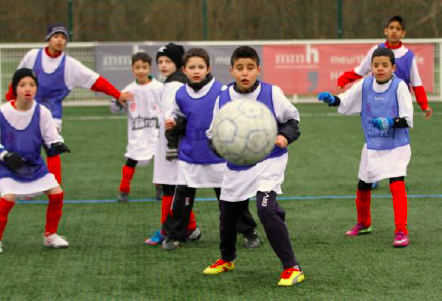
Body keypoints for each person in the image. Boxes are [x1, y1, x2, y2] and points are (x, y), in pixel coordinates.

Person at [203, 46, 304, 286]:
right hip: (238, 165)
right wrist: (222, 146)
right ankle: (227, 259)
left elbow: (293, 120)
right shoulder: (224, 97)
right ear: (231, 71)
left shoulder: (272, 92)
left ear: (258, 69)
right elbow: (212, 134)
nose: (245, 73)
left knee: (265, 209)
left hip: (270, 161)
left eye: (250, 68)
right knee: (228, 214)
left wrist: (284, 136)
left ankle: (292, 267)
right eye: (240, 68)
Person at [5, 23, 133, 185]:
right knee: (24, 149)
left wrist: (117, 94)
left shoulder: (70, 64)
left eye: (63, 37)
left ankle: (54, 186)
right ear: (48, 39)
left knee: (52, 150)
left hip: (52, 114)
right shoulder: (32, 56)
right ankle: (24, 183)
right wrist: (10, 104)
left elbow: (95, 81)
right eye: (56, 36)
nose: (60, 40)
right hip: (26, 111)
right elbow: (17, 80)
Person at [160, 48, 260, 250]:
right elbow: (180, 118)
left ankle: (248, 232)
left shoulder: (222, 91)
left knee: (233, 198)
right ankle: (175, 235)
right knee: (181, 200)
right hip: (190, 155)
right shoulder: (180, 93)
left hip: (218, 157)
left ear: (208, 69)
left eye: (200, 67)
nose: (196, 71)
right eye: (191, 67)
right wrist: (175, 124)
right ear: (184, 70)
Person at [318, 47, 413, 248]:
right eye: (376, 65)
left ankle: (401, 230)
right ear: (371, 67)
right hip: (372, 146)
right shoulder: (365, 84)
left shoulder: (399, 86)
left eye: (385, 65)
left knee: (396, 184)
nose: (380, 69)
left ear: (393, 67)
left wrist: (389, 122)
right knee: (363, 185)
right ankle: (364, 223)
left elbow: (407, 119)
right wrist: (331, 100)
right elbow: (345, 101)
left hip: (396, 147)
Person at [0, 68, 71, 254]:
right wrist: (5, 155)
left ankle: (50, 235)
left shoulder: (43, 112)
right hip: (7, 167)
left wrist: (58, 144)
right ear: (15, 88)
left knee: (57, 193)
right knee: (8, 198)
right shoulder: (3, 111)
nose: (27, 89)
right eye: (22, 85)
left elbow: (51, 136)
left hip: (34, 166)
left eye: (32, 85)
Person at [145, 43, 200, 245]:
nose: (163, 65)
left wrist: (171, 145)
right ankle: (191, 227)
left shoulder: (175, 85)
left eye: (168, 61)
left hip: (173, 143)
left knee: (172, 187)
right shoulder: (171, 82)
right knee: (174, 187)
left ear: (178, 62)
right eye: (160, 61)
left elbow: (174, 115)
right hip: (170, 141)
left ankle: (166, 229)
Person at [338, 15, 432, 120]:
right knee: (376, 132)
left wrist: (424, 105)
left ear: (403, 33)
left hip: (398, 104)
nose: (394, 31)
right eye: (391, 28)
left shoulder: (409, 56)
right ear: (385, 31)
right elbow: (360, 71)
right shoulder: (376, 50)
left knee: (397, 133)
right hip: (377, 102)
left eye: (398, 29)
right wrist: (343, 80)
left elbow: (416, 83)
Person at [111, 52, 163, 202]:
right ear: (132, 69)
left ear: (150, 68)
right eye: (137, 67)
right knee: (131, 160)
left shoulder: (160, 87)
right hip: (137, 133)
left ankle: (160, 187)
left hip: (156, 131)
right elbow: (115, 110)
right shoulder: (128, 90)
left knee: (159, 160)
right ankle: (123, 190)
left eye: (144, 67)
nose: (141, 71)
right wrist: (118, 100)